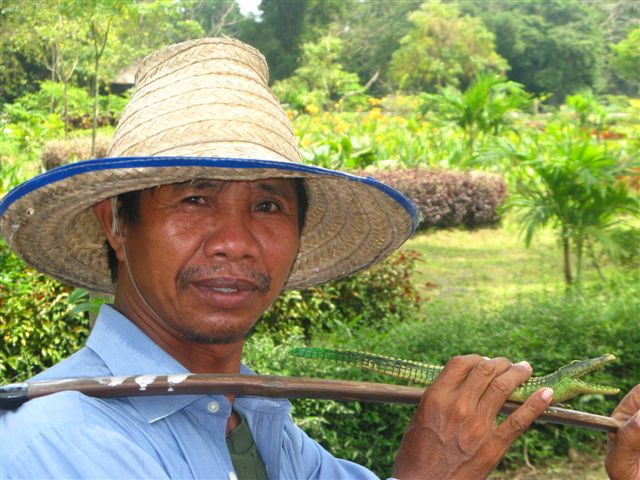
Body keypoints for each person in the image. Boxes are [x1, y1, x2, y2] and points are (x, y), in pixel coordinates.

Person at [0, 38, 638, 480]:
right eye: (194, 199)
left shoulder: (253, 420)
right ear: (115, 223)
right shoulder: (62, 438)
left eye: (269, 207)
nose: (236, 241)